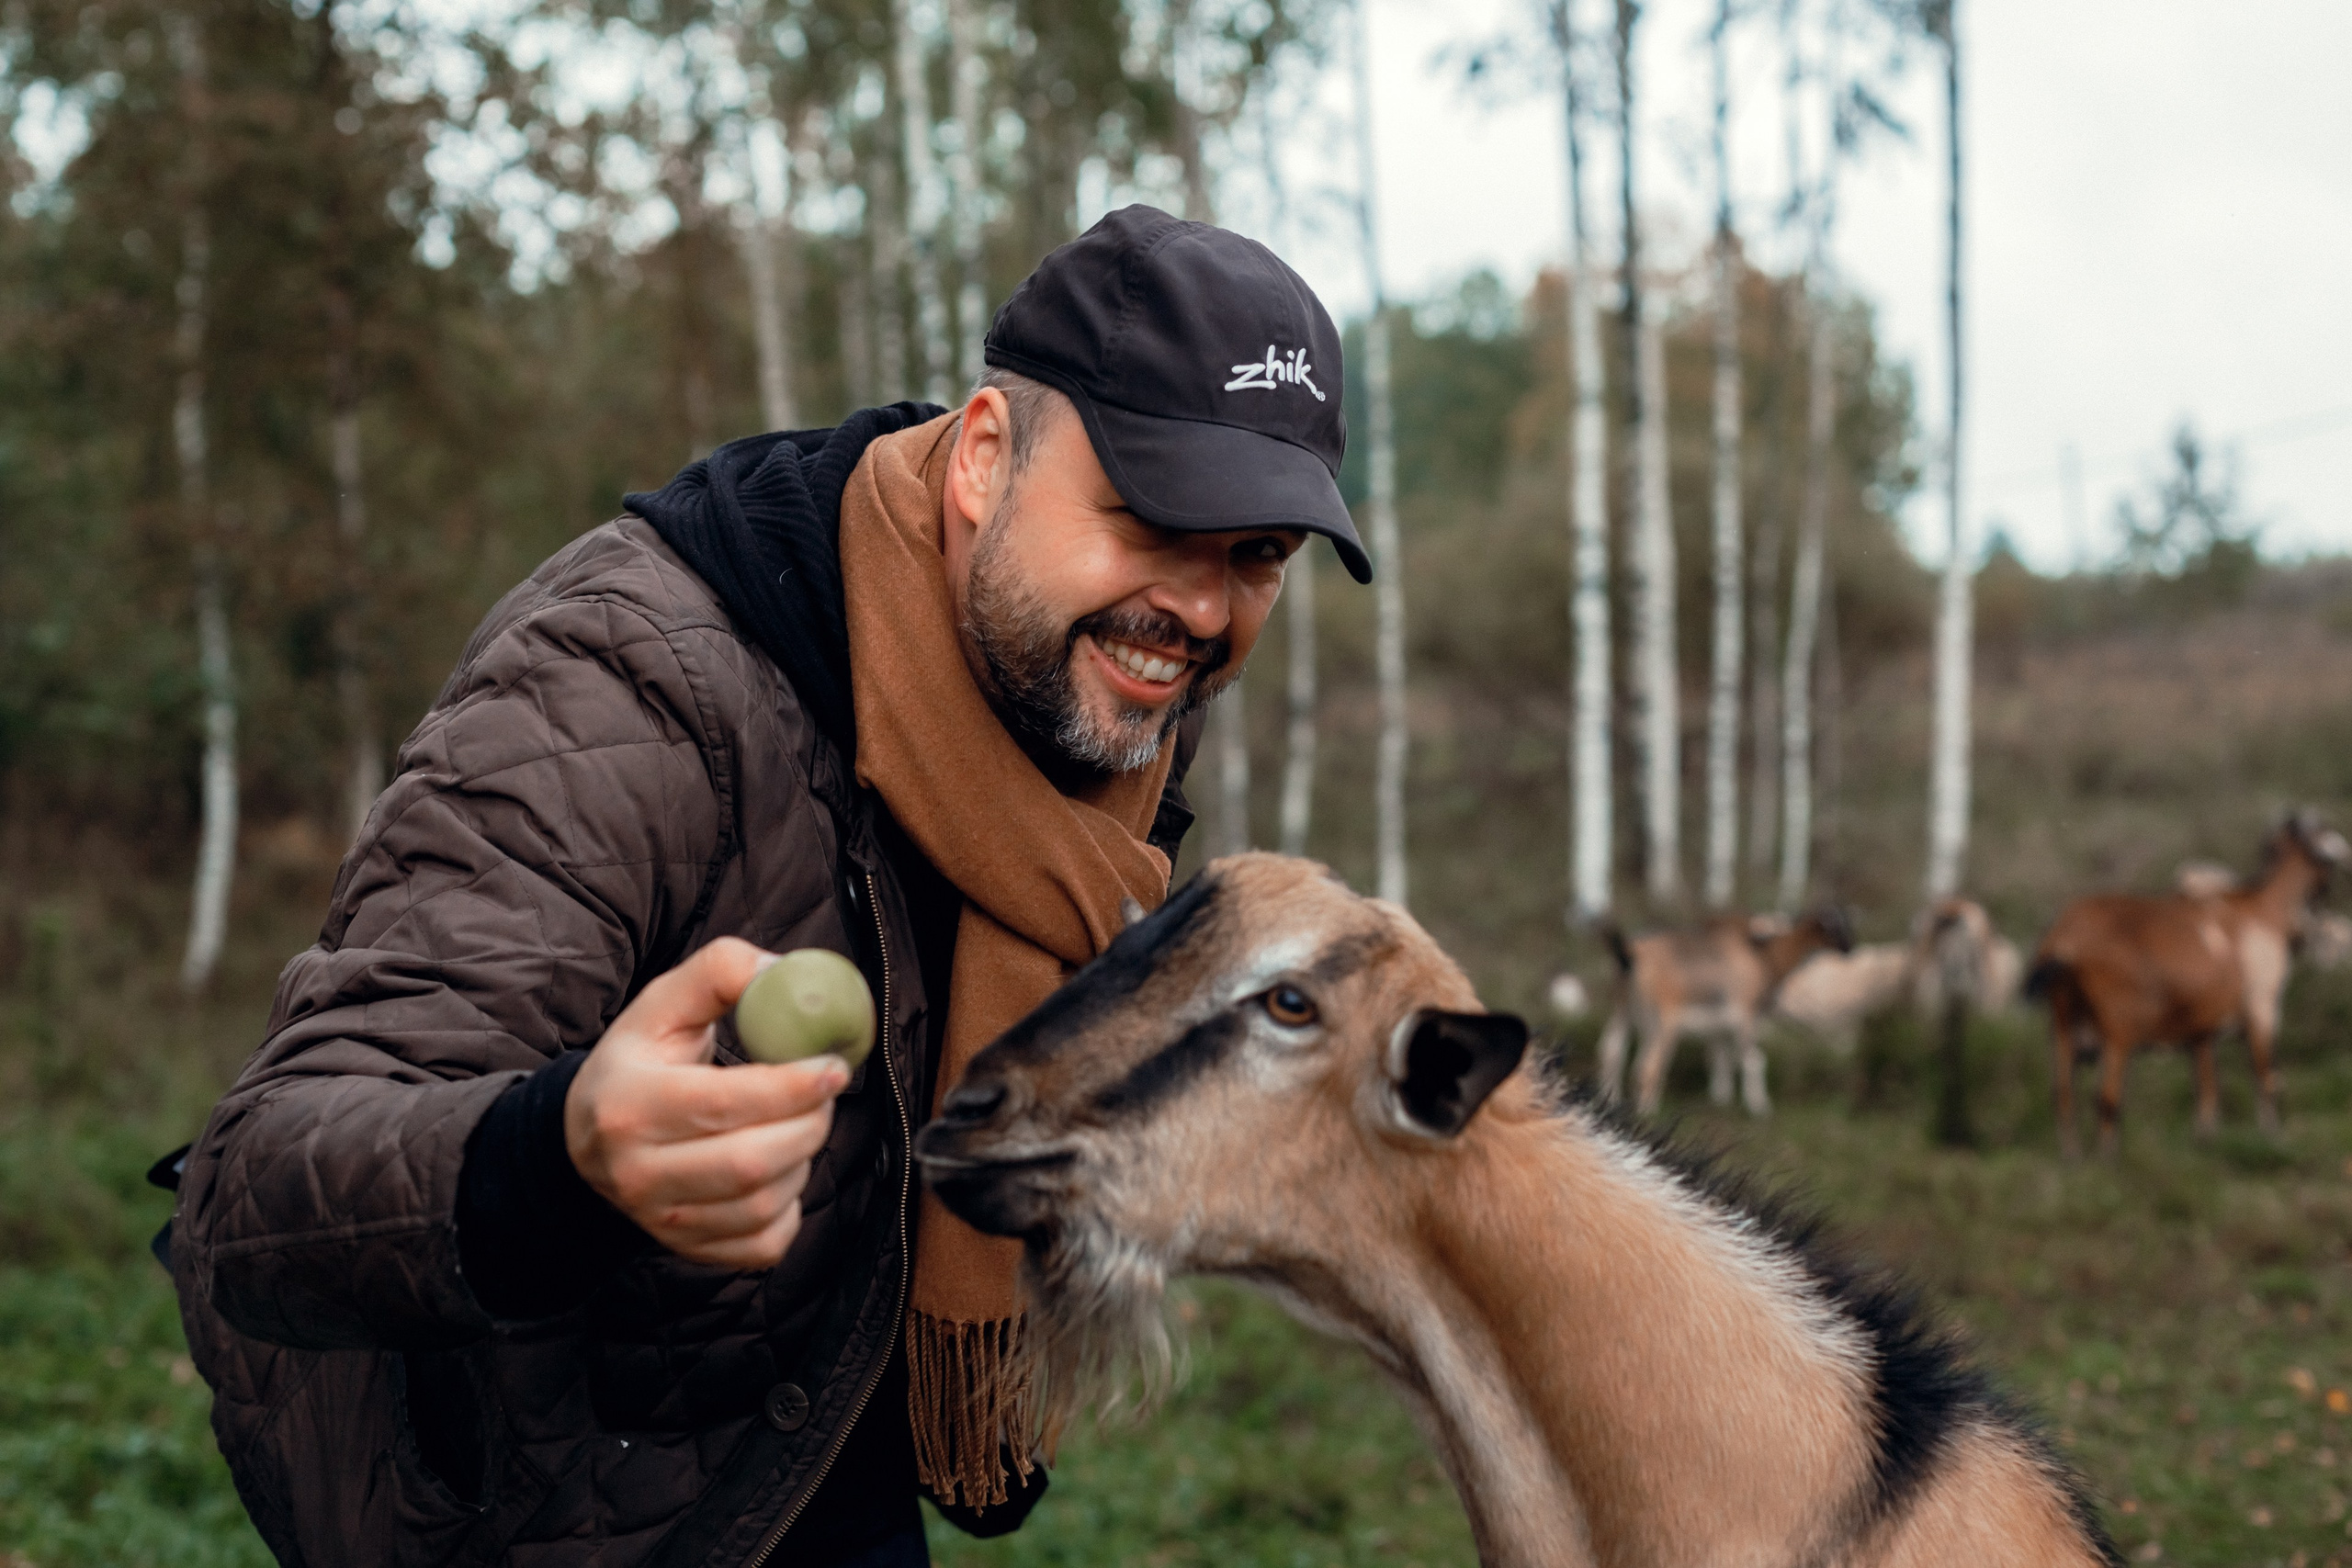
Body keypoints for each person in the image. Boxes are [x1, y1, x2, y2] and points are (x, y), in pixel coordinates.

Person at [167, 205, 1371, 1568]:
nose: (1204, 611)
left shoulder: (1103, 685)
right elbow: (253, 1198)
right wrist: (561, 1157)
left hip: (816, 1438)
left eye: (1258, 555)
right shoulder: (630, 686)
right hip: (533, 1507)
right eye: (1156, 518)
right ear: (983, 456)